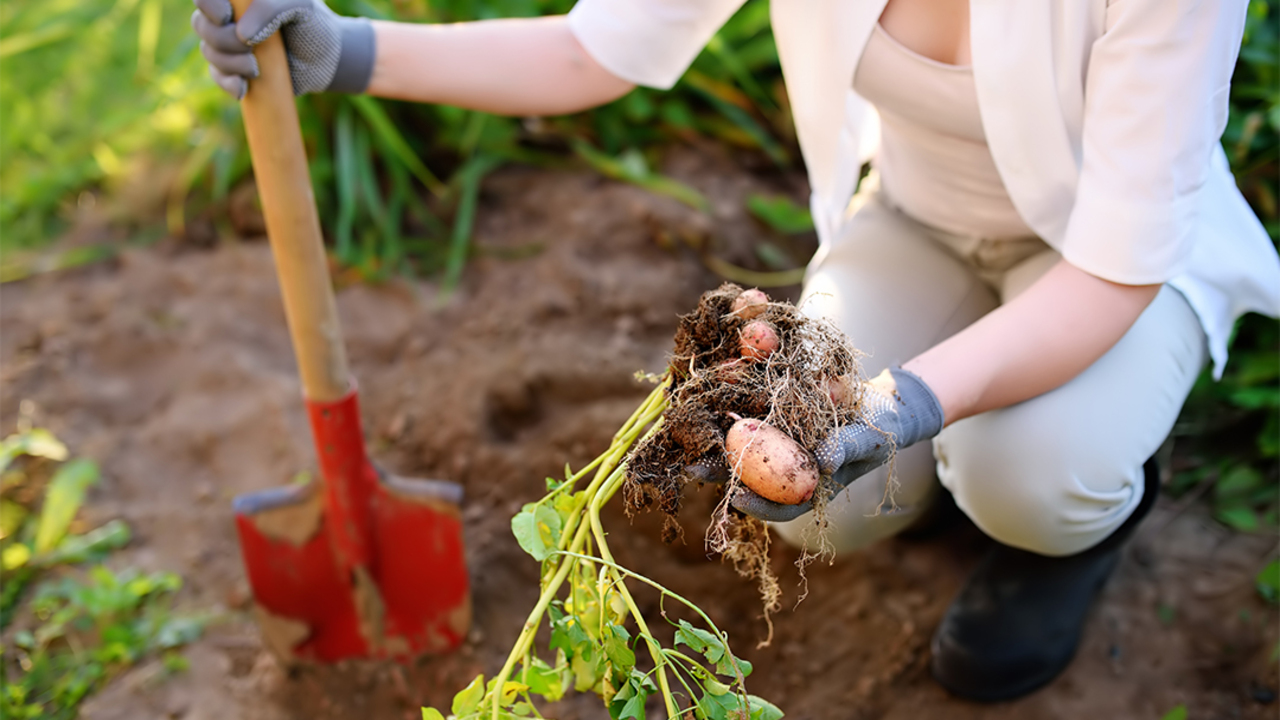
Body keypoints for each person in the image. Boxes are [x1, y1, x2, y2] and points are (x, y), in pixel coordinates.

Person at [193, 0, 1280, 701]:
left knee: (1033, 478)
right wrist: (345, 50)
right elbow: (589, 50)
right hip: (914, 222)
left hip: (1098, 268)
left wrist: (902, 405)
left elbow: (1109, 271)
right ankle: (954, 456)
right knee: (820, 508)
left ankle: (1069, 524)